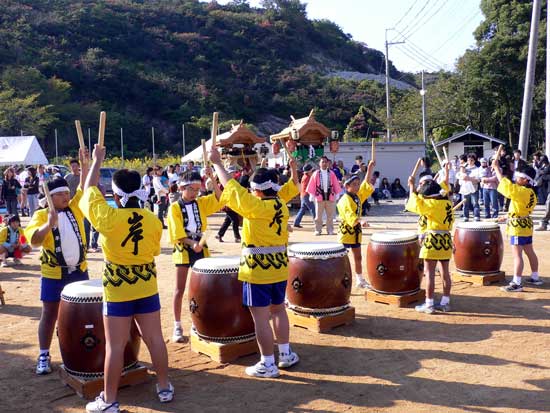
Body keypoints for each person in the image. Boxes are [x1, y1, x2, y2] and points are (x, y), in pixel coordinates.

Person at [81, 145, 173, 413]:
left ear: (115, 195)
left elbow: (88, 191)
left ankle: (109, 401)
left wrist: (96, 162)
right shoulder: (153, 220)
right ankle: (164, 387)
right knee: (155, 338)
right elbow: (154, 251)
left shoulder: (108, 216)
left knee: (115, 346)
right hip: (146, 286)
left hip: (118, 290)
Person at [210, 144, 300, 379]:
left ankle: (268, 363)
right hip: (280, 267)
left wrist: (218, 163)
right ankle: (286, 353)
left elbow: (231, 187)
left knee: (261, 317)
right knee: (279, 310)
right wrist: (293, 169)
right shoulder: (280, 203)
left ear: (257, 191)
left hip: (257, 270)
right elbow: (294, 186)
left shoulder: (255, 207)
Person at [24, 149, 89, 376]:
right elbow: (33, 241)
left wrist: (86, 164)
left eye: (66, 193)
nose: (65, 197)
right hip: (54, 274)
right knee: (49, 313)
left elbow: (84, 185)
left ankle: (80, 351)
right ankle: (43, 354)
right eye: (60, 194)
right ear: (49, 197)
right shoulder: (41, 216)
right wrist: (48, 225)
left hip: (79, 271)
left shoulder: (75, 208)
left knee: (82, 314)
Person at [167, 169, 221, 343]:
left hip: (201, 247)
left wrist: (213, 177)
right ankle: (177, 325)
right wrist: (192, 244)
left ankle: (199, 323)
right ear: (182, 187)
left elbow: (221, 197)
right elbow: (178, 233)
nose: (194, 193)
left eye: (198, 190)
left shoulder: (201, 203)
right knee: (179, 288)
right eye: (191, 189)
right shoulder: (174, 208)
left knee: (203, 288)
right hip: (184, 248)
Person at [406, 161, 454, 313]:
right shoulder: (447, 203)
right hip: (446, 240)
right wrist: (446, 173)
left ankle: (429, 304)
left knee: (430, 273)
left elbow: (412, 204)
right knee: (445, 272)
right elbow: (446, 187)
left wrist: (412, 187)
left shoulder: (430, 205)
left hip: (432, 240)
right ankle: (445, 302)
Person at [492, 158, 542, 292]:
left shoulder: (521, 192)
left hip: (518, 227)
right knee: (529, 251)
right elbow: (521, 209)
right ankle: (535, 277)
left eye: (519, 177)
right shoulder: (531, 193)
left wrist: (496, 168)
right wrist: (507, 216)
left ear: (526, 180)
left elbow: (506, 186)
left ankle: (516, 283)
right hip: (525, 223)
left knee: (517, 255)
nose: (516, 179)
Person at [337, 162, 375, 288]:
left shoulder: (357, 196)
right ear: (346, 186)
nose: (358, 187)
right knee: (343, 260)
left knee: (358, 257)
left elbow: (366, 184)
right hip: (346, 233)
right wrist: (361, 221)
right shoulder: (344, 200)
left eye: (358, 184)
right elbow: (349, 215)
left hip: (356, 233)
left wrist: (369, 169)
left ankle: (359, 280)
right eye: (354, 185)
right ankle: (340, 280)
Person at [306, 156, 342, 236]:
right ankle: (318, 230)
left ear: (328, 163)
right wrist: (311, 195)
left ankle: (330, 230)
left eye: (326, 162)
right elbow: (312, 185)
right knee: (318, 216)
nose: (324, 163)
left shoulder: (332, 173)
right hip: (319, 197)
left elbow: (336, 184)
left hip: (330, 197)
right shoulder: (316, 174)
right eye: (322, 162)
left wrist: (337, 193)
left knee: (330, 215)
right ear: (319, 164)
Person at [292, 164, 315, 228]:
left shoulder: (306, 176)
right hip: (306, 195)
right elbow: (309, 188)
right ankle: (317, 222)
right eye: (311, 171)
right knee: (312, 208)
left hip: (303, 195)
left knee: (302, 210)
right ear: (308, 171)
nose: (312, 172)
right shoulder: (307, 177)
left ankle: (296, 223)